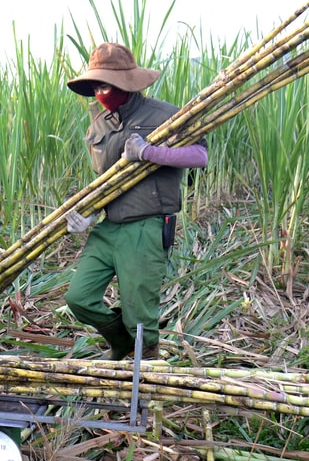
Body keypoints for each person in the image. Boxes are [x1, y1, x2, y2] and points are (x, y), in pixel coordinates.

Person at [63, 42, 208, 360]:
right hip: (108, 226)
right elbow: (103, 180)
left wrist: (148, 152)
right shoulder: (98, 125)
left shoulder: (165, 115)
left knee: (140, 314)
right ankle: (123, 342)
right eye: (97, 84)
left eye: (108, 83)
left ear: (128, 80)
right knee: (79, 297)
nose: (102, 90)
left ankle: (146, 371)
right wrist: (87, 216)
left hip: (147, 225)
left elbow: (199, 155)